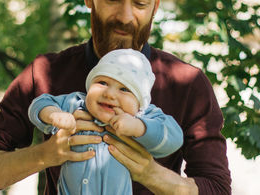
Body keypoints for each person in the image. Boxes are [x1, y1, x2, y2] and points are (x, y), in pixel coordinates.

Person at [0, 0, 231, 195]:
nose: (125, 17)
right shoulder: (45, 73)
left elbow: (217, 188)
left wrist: (150, 173)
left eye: (139, 3)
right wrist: (45, 154)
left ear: (155, 6)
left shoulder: (187, 83)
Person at [28, 48, 184, 195]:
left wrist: (139, 127)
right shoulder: (76, 103)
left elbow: (174, 137)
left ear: (139, 103)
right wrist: (53, 115)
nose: (109, 94)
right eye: (102, 83)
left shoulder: (141, 116)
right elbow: (40, 103)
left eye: (124, 89)